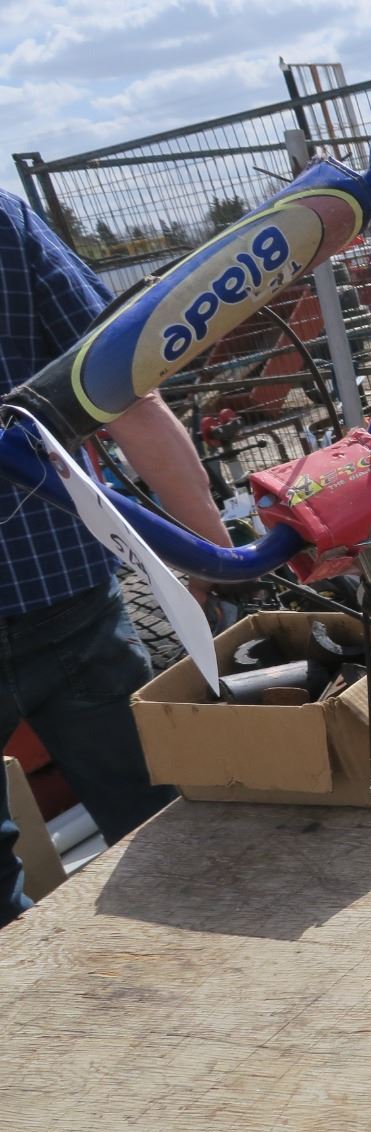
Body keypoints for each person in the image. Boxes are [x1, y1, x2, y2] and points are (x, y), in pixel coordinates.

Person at [0, 189, 229, 927]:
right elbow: (129, 393)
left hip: (69, 597)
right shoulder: (6, 222)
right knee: (157, 817)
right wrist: (211, 555)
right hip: (64, 590)